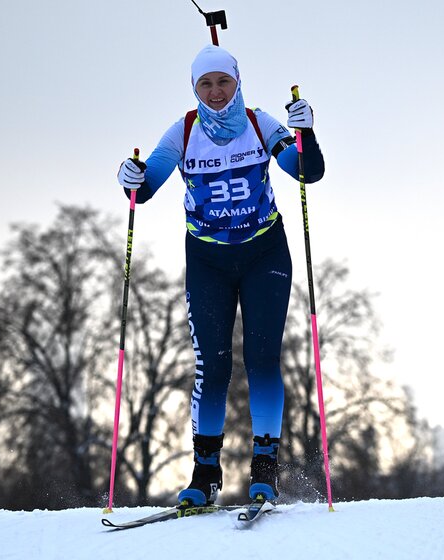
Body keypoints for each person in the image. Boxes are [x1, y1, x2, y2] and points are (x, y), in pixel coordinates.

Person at [117, 44, 325, 506]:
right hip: (208, 261)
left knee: (262, 359)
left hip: (264, 253)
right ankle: (205, 473)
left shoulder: (259, 122)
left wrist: (305, 135)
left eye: (222, 82)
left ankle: (264, 470)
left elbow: (306, 171)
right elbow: (146, 186)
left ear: (237, 81)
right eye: (204, 84)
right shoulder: (185, 131)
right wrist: (129, 177)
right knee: (212, 367)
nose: (214, 92)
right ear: (194, 88)